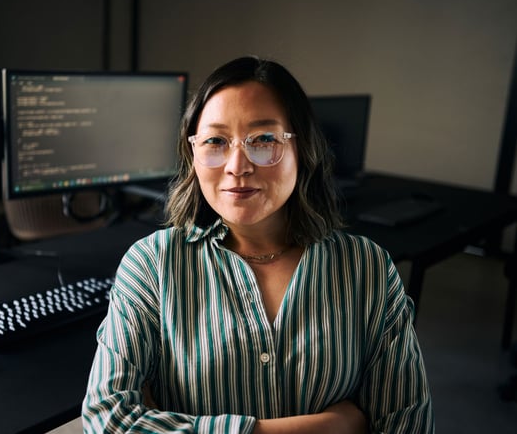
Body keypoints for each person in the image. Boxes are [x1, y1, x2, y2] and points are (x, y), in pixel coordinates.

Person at [82, 55, 434, 433]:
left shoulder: (366, 268)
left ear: (303, 148)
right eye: (216, 141)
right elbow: (107, 420)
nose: (237, 165)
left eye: (264, 139)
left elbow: (407, 422)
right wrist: (324, 428)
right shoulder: (152, 264)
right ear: (193, 154)